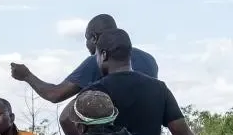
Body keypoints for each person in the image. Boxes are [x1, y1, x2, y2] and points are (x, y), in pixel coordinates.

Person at [50, 28, 214, 135]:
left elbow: (65, 118)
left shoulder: (97, 90)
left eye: (97, 56)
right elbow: (181, 131)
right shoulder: (159, 88)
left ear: (104, 55)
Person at [11, 14, 158, 104]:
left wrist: (26, 76)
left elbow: (55, 94)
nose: (86, 45)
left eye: (86, 39)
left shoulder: (99, 61)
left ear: (94, 38)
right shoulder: (149, 60)